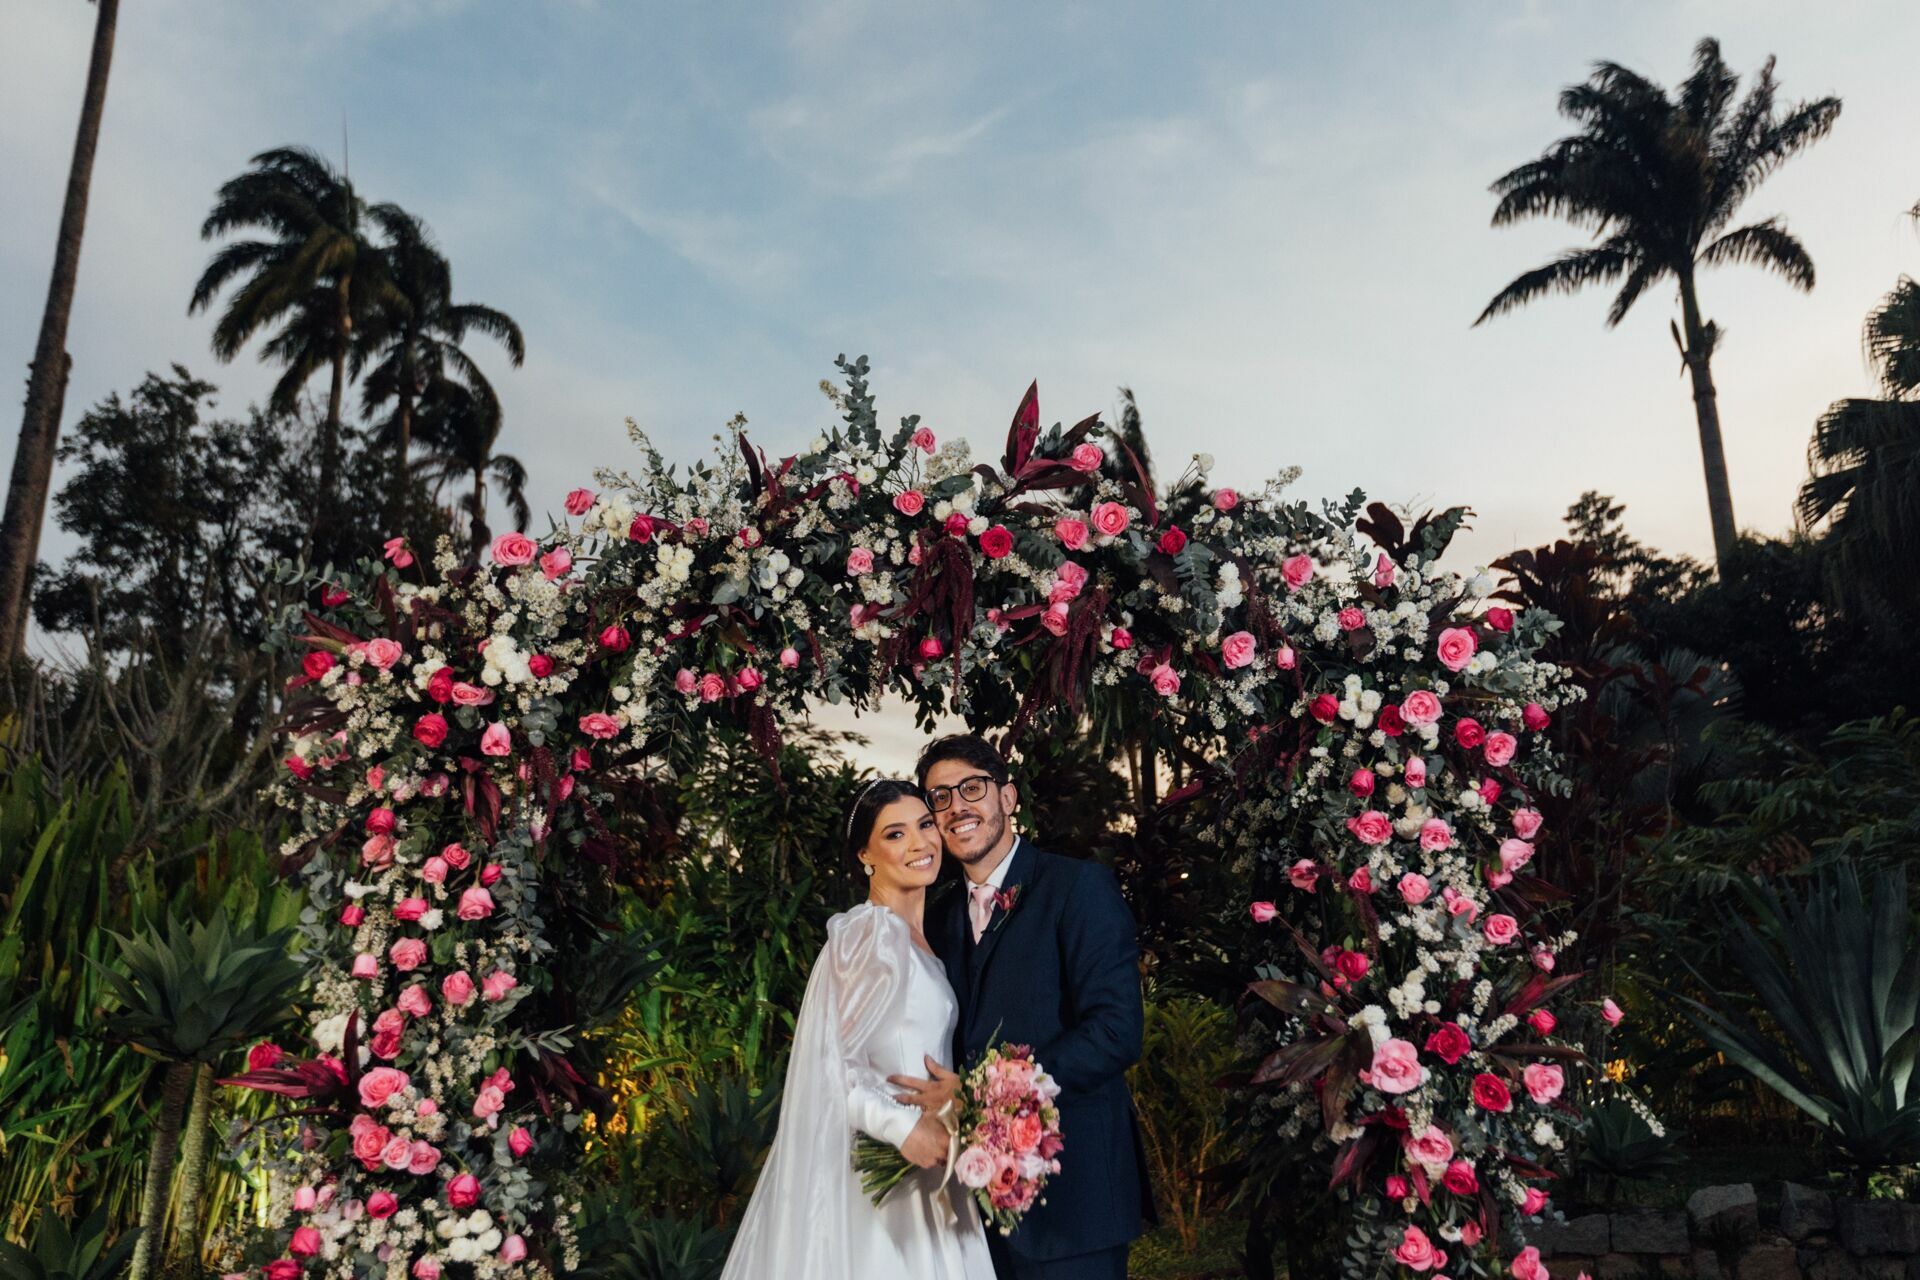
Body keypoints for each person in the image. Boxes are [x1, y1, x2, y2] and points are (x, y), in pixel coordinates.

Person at [892, 733, 1155, 1280]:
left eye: (972, 788)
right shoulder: (936, 918)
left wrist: (978, 1092)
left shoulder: (1077, 888)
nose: (956, 806)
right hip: (972, 1205)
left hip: (1075, 1196)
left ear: (1008, 798)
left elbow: (1115, 1031)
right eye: (939, 797)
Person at [719, 779, 995, 1280]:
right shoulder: (873, 934)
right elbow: (829, 1062)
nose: (920, 843)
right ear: (865, 854)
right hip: (886, 1177)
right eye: (895, 834)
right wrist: (902, 1127)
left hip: (930, 1168)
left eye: (925, 825)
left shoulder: (921, 940)